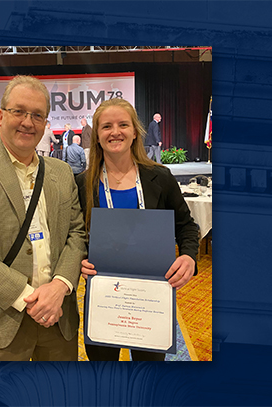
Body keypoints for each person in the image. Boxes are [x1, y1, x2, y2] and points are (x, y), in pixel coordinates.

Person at [0, 75, 87, 361]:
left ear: (46, 123)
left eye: (37, 115)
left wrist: (59, 286)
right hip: (1, 321)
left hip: (59, 320)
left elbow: (77, 234)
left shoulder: (60, 172)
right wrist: (30, 300)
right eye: (18, 111)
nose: (27, 122)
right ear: (1, 115)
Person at [76, 99, 199, 361]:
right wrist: (78, 262)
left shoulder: (160, 178)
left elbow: (187, 226)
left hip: (151, 299)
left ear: (135, 132)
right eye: (106, 126)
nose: (115, 132)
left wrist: (188, 257)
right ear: (97, 136)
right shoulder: (82, 184)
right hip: (103, 297)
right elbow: (72, 236)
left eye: (123, 124)